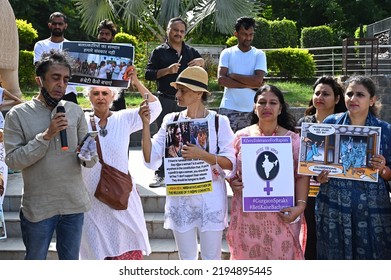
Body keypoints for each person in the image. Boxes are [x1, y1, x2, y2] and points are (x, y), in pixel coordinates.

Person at [3, 50, 98, 260]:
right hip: (38, 207)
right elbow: (13, 160)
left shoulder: (74, 111)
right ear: (39, 80)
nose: (61, 85)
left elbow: (90, 161)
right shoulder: (18, 114)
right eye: (55, 78)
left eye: (65, 79)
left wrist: (88, 152)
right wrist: (47, 135)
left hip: (73, 204)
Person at [139, 66, 235, 260]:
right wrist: (145, 125)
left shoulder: (219, 122)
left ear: (199, 93)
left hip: (210, 199)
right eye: (178, 89)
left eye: (183, 90)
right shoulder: (170, 120)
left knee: (211, 258)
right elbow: (150, 158)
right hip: (181, 199)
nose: (177, 94)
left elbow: (230, 163)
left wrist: (202, 154)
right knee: (187, 259)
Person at [79, 68, 161, 260]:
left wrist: (136, 82)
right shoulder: (80, 120)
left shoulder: (124, 118)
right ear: (88, 97)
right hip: (90, 197)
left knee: (126, 243)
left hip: (120, 194)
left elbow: (155, 108)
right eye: (95, 93)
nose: (100, 97)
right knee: (95, 250)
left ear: (113, 96)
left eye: (105, 93)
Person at [226, 84, 310, 260]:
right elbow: (230, 169)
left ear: (280, 109)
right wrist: (233, 182)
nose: (267, 107)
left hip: (282, 215)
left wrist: (300, 206)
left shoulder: (293, 140)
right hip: (248, 217)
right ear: (254, 107)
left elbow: (302, 176)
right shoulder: (241, 137)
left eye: (273, 103)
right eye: (262, 102)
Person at [315, 75, 391, 259]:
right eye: (349, 94)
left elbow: (389, 174)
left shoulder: (385, 130)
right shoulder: (330, 124)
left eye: (360, 95)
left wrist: (382, 168)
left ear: (372, 100)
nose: (353, 99)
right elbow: (316, 168)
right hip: (333, 204)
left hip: (372, 207)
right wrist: (320, 176)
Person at [145, 17, 205, 188]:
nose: (178, 33)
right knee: (165, 138)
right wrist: (167, 71)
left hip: (187, 103)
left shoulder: (190, 51)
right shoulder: (159, 51)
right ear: (168, 30)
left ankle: (183, 173)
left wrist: (201, 62)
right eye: (175, 30)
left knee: (185, 136)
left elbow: (201, 71)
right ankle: (160, 174)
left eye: (181, 31)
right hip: (164, 99)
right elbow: (148, 73)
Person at [296, 75, 346, 260]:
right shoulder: (303, 123)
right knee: (310, 235)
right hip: (308, 192)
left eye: (326, 94)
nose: (320, 97)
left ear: (337, 99)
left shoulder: (344, 124)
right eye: (317, 93)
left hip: (335, 191)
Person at [217, 16, 267, 133]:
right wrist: (251, 85)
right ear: (236, 34)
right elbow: (221, 80)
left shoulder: (259, 54)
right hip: (228, 108)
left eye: (251, 34)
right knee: (227, 148)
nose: (248, 38)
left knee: (250, 149)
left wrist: (233, 76)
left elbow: (258, 81)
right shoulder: (227, 53)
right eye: (244, 34)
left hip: (252, 110)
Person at [33, 12, 79, 104]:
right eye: (54, 23)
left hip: (69, 93)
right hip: (47, 92)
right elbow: (39, 68)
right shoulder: (40, 45)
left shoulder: (73, 46)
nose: (57, 26)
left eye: (60, 24)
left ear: (65, 26)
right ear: (49, 25)